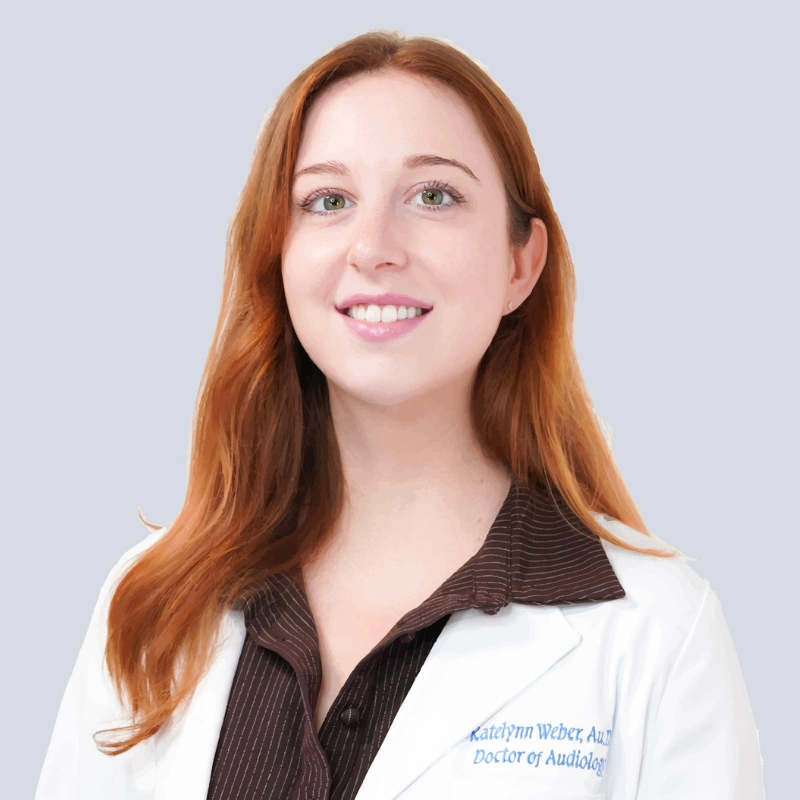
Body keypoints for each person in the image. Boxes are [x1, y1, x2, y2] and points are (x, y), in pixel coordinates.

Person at [36, 30, 765, 800]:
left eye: (434, 195)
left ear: (522, 263)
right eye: (328, 201)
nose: (373, 246)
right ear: (276, 258)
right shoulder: (153, 600)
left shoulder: (658, 632)